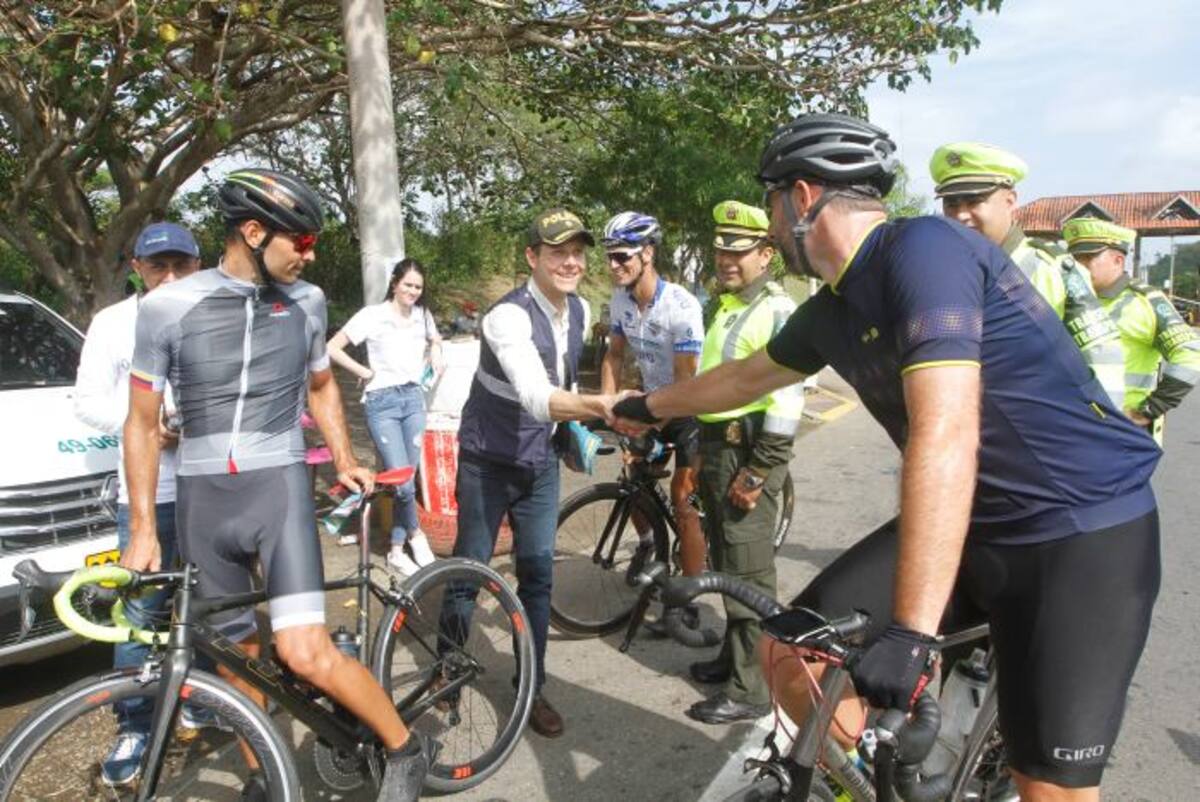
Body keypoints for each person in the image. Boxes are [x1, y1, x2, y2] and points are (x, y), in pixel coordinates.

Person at [613, 113, 1161, 801]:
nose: (772, 227)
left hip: (1077, 530)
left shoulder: (926, 249)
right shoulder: (832, 308)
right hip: (971, 521)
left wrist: (912, 634)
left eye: (772, 205)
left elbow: (946, 430)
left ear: (802, 198)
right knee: (794, 653)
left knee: (1049, 788)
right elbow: (744, 378)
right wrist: (650, 405)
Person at [123, 168, 429, 801]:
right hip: (203, 499)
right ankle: (267, 773)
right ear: (254, 233)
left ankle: (405, 747)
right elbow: (142, 423)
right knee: (235, 655)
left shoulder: (307, 302)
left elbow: (321, 384)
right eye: (303, 241)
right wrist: (144, 528)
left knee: (303, 652)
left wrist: (343, 457)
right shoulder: (165, 308)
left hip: (278, 487)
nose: (310, 255)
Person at [440, 208, 617, 739]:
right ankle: (447, 670)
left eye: (577, 252)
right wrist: (605, 407)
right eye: (558, 252)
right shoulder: (507, 317)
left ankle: (531, 686)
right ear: (531, 257)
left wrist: (572, 433)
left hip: (539, 462)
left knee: (538, 577)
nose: (571, 262)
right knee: (469, 573)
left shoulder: (580, 308)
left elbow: (562, 378)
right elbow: (539, 397)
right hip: (487, 462)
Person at [74, 222, 203, 786]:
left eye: (181, 265)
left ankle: (201, 700)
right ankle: (135, 724)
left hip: (211, 489)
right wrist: (145, 423)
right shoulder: (113, 324)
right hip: (150, 496)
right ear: (137, 268)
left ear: (198, 266)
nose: (170, 277)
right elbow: (86, 402)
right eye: (158, 266)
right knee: (140, 616)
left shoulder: (212, 315)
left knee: (208, 604)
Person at [685, 201, 804, 725]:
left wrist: (759, 469)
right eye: (721, 250)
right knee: (728, 564)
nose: (727, 260)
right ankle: (735, 660)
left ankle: (751, 688)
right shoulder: (730, 305)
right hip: (720, 449)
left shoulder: (775, 311)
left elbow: (788, 398)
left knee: (749, 572)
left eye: (739, 252)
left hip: (746, 453)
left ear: (765, 255)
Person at [930, 142, 1126, 408]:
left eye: (974, 201)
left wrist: (1104, 427)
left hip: (1041, 423)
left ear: (1010, 201)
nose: (961, 215)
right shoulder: (942, 271)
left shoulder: (1054, 269)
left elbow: (1103, 358)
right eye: (951, 204)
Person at [599, 211, 706, 579]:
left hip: (690, 408)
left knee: (682, 500)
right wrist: (607, 407)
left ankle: (689, 595)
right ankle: (648, 543)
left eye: (621, 256)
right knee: (632, 481)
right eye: (609, 256)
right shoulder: (620, 300)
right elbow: (614, 355)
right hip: (653, 401)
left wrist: (649, 427)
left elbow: (685, 380)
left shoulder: (681, 305)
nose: (613, 265)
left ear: (647, 253)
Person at [327, 258, 444, 574]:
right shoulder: (373, 315)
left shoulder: (422, 315)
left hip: (413, 399)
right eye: (408, 285)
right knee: (402, 484)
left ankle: (395, 549)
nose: (413, 292)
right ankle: (416, 535)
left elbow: (435, 340)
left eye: (418, 287)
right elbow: (332, 347)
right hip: (382, 402)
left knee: (408, 481)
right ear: (394, 283)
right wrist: (363, 371)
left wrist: (436, 355)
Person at [1063, 217, 1200, 443]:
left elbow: (1190, 354)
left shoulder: (1146, 302)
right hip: (1072, 424)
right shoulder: (1064, 298)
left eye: (1088, 258)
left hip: (1122, 429)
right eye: (1075, 258)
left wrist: (1150, 409)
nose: (1079, 266)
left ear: (1118, 260)